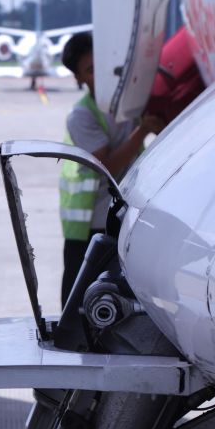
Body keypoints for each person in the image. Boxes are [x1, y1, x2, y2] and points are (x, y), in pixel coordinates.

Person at [58, 32, 166, 305]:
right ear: (79, 79)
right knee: (79, 299)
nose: (101, 75)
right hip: (90, 225)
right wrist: (143, 129)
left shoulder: (131, 103)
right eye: (90, 70)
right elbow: (107, 166)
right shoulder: (82, 115)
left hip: (123, 215)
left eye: (102, 65)